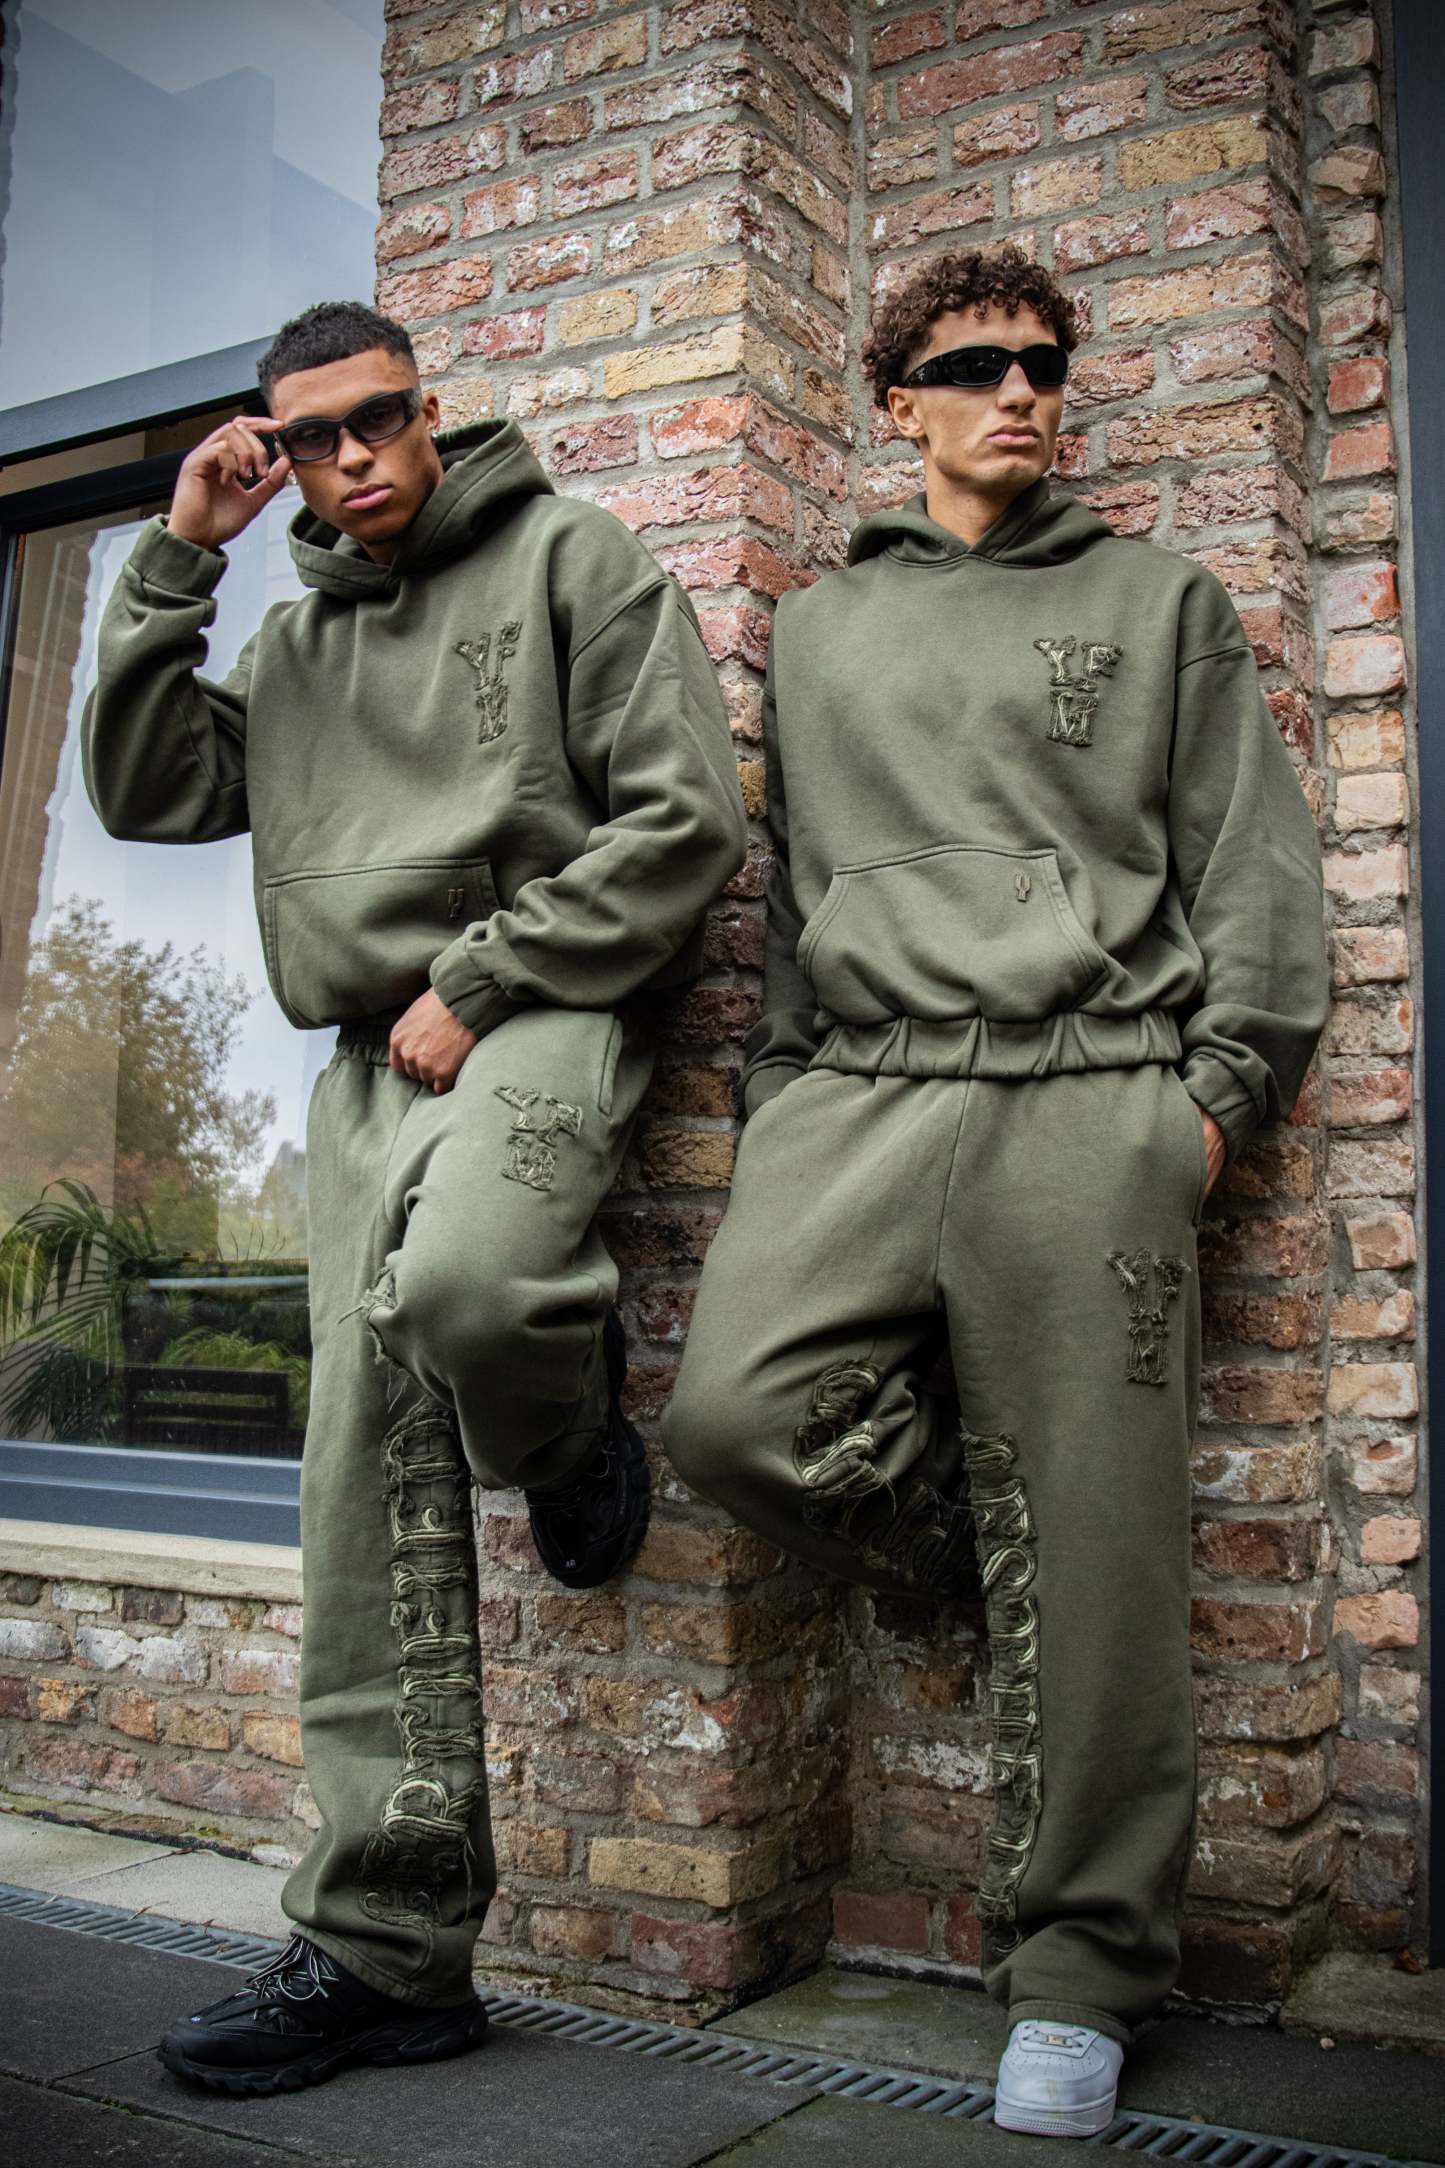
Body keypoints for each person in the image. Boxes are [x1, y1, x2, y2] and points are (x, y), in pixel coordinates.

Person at [665, 244, 1327, 2141]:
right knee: (730, 1419)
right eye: (971, 366)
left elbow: (1250, 874)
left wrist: (1206, 1106)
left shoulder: (1157, 602)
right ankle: (984, 1546)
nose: (1017, 392)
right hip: (857, 1094)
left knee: (1106, 1548)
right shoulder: (817, 632)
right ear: (900, 404)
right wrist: (783, 1092)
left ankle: (1079, 1976)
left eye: (1042, 365)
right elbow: (799, 895)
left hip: (1089, 1095)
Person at [82, 300, 746, 2093]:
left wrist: (487, 973)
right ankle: (389, 1950)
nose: (352, 458)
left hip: (533, 1006)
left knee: (471, 1287)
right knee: (357, 1485)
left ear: (426, 409)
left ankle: (564, 1433)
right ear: (276, 454)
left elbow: (683, 819)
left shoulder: (569, 557)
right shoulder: (294, 640)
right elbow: (145, 790)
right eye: (309, 438)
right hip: (363, 1064)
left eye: (376, 419)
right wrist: (178, 555)